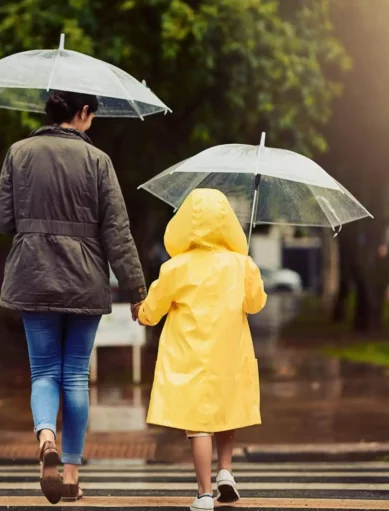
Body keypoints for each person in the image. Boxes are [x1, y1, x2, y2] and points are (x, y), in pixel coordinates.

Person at [0, 90, 146, 504]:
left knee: (43, 371)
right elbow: (117, 232)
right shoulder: (98, 162)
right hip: (83, 279)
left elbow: (3, 220)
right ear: (81, 112)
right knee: (75, 375)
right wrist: (136, 290)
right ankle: (73, 477)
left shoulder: (18, 152)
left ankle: (46, 438)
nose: (92, 122)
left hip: (32, 275)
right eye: (91, 115)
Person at [138, 188, 267, 511]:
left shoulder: (176, 268)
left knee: (198, 425)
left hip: (190, 357)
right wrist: (249, 272)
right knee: (227, 412)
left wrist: (141, 312)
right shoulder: (241, 264)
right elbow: (255, 304)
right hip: (230, 352)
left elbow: (152, 310)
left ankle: (205, 493)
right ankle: (226, 470)